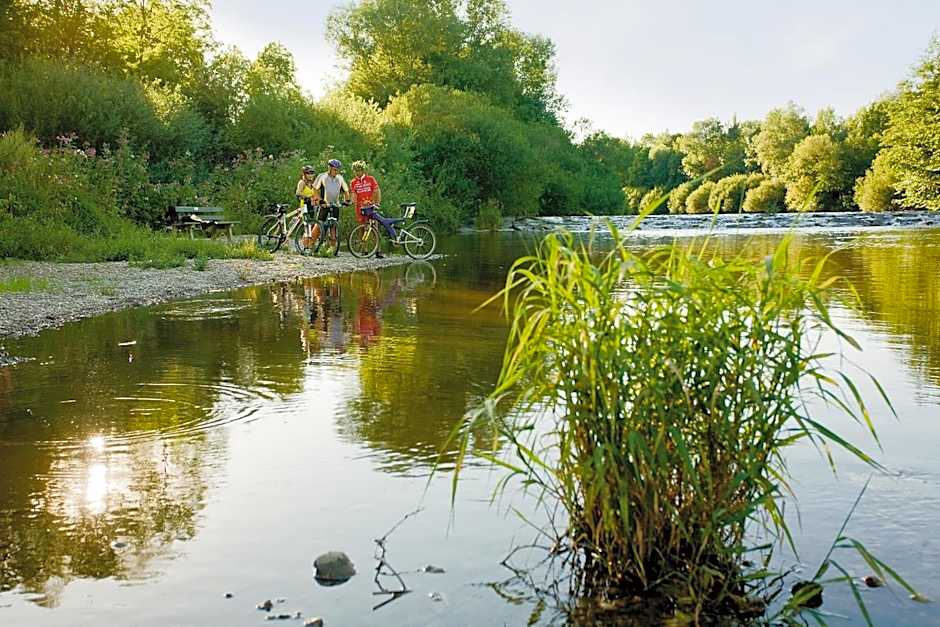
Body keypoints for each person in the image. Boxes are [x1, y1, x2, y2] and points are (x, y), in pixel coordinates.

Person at [312, 159, 351, 255]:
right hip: (325, 204)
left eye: (337, 170)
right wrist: (320, 200)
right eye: (334, 169)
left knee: (333, 226)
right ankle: (310, 244)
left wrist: (347, 200)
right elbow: (315, 190)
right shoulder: (322, 176)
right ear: (329, 168)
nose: (336, 171)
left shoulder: (340, 178)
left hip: (335, 205)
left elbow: (346, 191)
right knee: (318, 224)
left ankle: (333, 249)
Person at [350, 160, 384, 257]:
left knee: (375, 227)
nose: (357, 172)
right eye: (356, 170)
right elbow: (353, 194)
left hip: (371, 206)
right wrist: (351, 202)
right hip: (360, 208)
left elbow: (377, 191)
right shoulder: (353, 182)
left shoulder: (370, 179)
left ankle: (378, 250)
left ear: (363, 170)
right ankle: (364, 249)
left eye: (359, 170)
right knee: (361, 228)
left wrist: (377, 203)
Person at [295, 165, 319, 249]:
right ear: (304, 174)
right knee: (306, 227)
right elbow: (298, 193)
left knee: (311, 226)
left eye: (312, 173)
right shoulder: (302, 182)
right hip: (304, 206)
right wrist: (306, 196)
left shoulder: (313, 184)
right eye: (308, 173)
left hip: (311, 206)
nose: (311, 175)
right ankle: (305, 247)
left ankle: (309, 245)